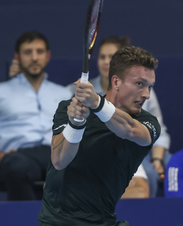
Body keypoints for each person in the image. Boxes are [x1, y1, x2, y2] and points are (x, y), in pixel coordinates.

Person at [38, 46, 160, 226]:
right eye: (140, 84)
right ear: (116, 82)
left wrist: (96, 103)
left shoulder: (146, 122)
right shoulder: (68, 108)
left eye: (150, 86)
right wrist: (76, 122)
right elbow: (59, 160)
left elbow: (129, 129)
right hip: (55, 222)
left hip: (100, 222)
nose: (146, 95)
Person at [67, 36, 171, 197]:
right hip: (94, 152)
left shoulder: (144, 92)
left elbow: (156, 132)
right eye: (102, 57)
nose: (106, 62)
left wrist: (157, 159)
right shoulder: (76, 91)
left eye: (112, 57)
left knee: (151, 172)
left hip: (139, 151)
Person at [0, 31, 72, 200]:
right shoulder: (2, 92)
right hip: (18, 156)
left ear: (47, 56)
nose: (34, 57)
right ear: (17, 57)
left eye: (39, 52)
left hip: (55, 156)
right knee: (16, 165)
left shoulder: (63, 93)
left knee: (84, 164)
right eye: (27, 52)